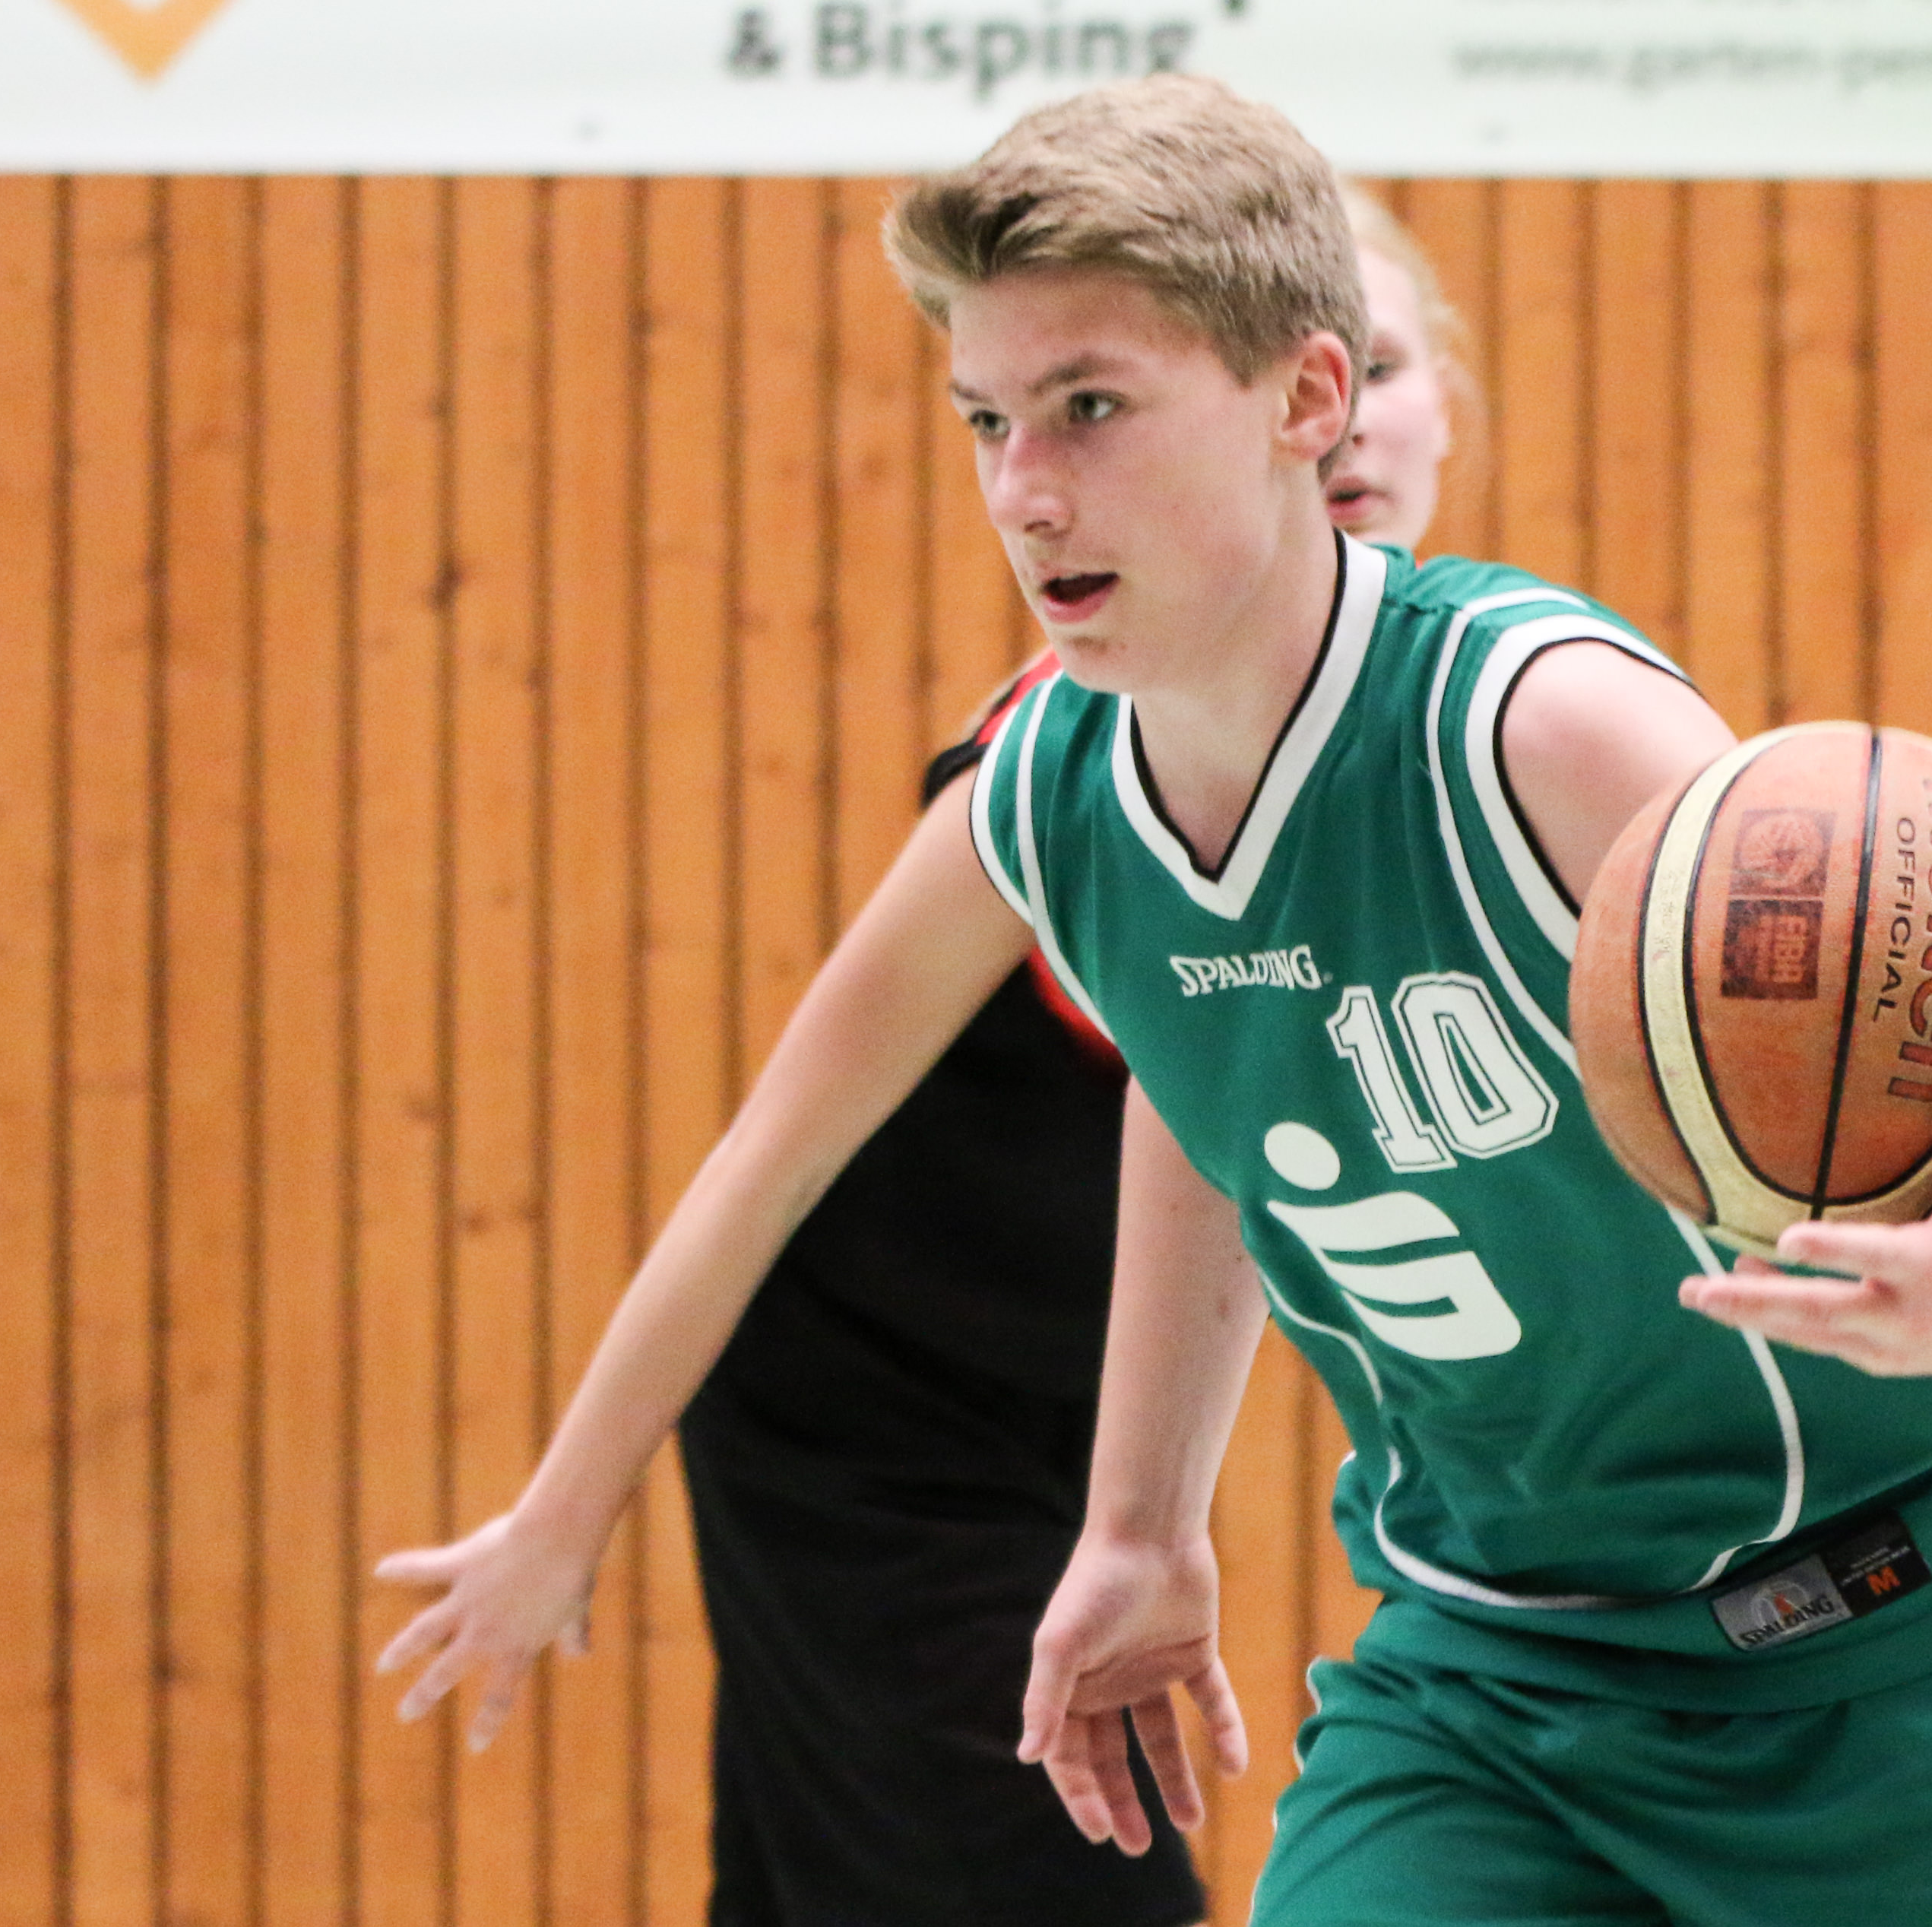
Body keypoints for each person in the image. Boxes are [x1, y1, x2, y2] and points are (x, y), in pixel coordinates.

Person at [898, 78, 1932, 1925]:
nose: (1023, 487)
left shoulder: (1538, 727)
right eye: (985, 419)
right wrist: (1140, 1520)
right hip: (1489, 1673)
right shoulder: (1050, 799)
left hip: (1881, 1634)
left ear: (1305, 401)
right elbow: (1209, 1080)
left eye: (1088, 407)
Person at [375, 182, 1472, 1927]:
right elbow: (773, 1154)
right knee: (1068, 1882)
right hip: (866, 1422)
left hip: (1065, 1404)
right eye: (1005, 419)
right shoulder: (1062, 769)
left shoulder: (1460, 717)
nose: (1346, 436)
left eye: (1386, 370)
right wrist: (557, 1519)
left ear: (1370, 398)